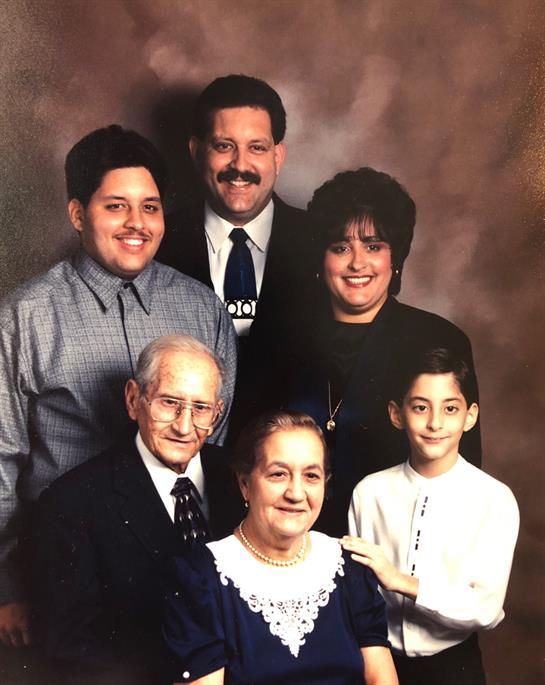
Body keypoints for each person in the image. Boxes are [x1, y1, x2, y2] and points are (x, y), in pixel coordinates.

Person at [0, 125, 237, 659]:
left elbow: (209, 436)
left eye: (150, 207)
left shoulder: (202, 309)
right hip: (67, 572)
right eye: (116, 206)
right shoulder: (26, 318)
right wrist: (6, 586)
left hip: (183, 558)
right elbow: (0, 461)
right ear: (78, 214)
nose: (137, 224)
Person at [32, 335, 245, 684]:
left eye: (201, 409)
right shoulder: (71, 503)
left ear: (218, 413)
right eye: (169, 403)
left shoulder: (242, 479)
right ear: (134, 400)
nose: (183, 425)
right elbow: (70, 647)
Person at [288, 167, 481, 535]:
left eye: (373, 246)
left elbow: (463, 476)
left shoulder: (439, 339)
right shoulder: (282, 335)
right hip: (295, 540)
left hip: (399, 544)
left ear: (396, 258)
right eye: (340, 247)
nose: (357, 263)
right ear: (321, 257)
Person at [163, 411, 399, 685]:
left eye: (311, 476)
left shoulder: (349, 566)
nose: (296, 494)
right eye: (278, 474)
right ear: (245, 484)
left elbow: (381, 680)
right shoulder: (201, 577)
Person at [344, 348, 519, 685]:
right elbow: (357, 594)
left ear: (470, 416)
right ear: (397, 414)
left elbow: (484, 608)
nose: (435, 423)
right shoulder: (370, 492)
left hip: (454, 667)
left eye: (450, 409)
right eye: (420, 407)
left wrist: (401, 582)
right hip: (379, 662)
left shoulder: (494, 499)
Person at [156, 74, 311, 436]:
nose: (240, 165)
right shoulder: (156, 244)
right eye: (224, 146)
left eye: (256, 147)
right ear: (196, 151)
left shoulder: (323, 244)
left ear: (278, 155)